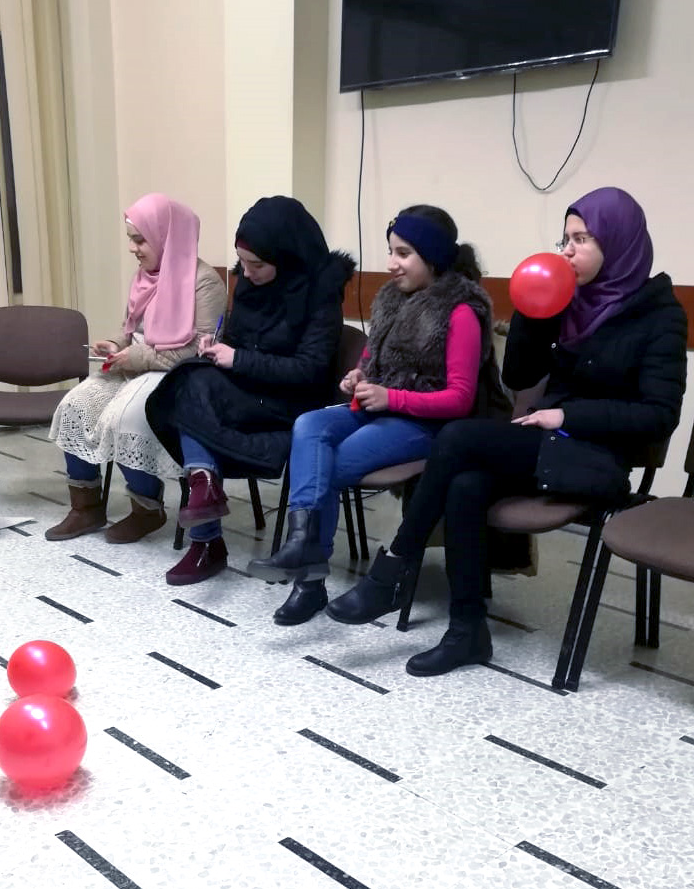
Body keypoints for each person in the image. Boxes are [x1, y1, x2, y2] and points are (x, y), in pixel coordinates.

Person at [325, 186, 688, 676]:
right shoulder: (570, 301)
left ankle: (393, 569)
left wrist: (568, 417)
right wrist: (536, 314)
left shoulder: (660, 316)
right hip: (548, 445)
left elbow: (659, 415)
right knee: (465, 484)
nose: (566, 251)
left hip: (596, 456)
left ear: (617, 243)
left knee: (458, 438)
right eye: (564, 239)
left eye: (581, 239)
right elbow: (517, 376)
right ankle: (467, 631)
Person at [247, 204, 509, 624]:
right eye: (390, 252)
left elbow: (459, 400)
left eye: (403, 253)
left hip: (424, 423)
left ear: (433, 256)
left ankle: (308, 581)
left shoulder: (461, 312)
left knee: (326, 465)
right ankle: (302, 551)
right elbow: (371, 361)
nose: (390, 263)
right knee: (309, 424)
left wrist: (391, 398)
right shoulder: (390, 299)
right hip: (378, 407)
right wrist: (358, 376)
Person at [145, 195, 355, 585]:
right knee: (187, 380)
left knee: (193, 397)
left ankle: (206, 537)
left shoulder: (320, 294)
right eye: (242, 262)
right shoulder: (248, 284)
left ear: (286, 257)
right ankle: (205, 487)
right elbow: (239, 340)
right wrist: (217, 347)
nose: (246, 272)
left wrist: (238, 359)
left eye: (257, 265)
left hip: (290, 405)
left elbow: (309, 371)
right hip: (248, 391)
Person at [46, 193, 225, 543]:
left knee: (124, 417)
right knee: (75, 405)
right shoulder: (145, 276)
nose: (133, 248)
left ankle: (146, 509)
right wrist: (115, 345)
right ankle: (86, 507)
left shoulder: (204, 282)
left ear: (165, 236)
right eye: (131, 239)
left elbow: (199, 351)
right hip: (135, 364)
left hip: (175, 376)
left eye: (140, 240)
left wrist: (138, 356)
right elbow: (130, 329)